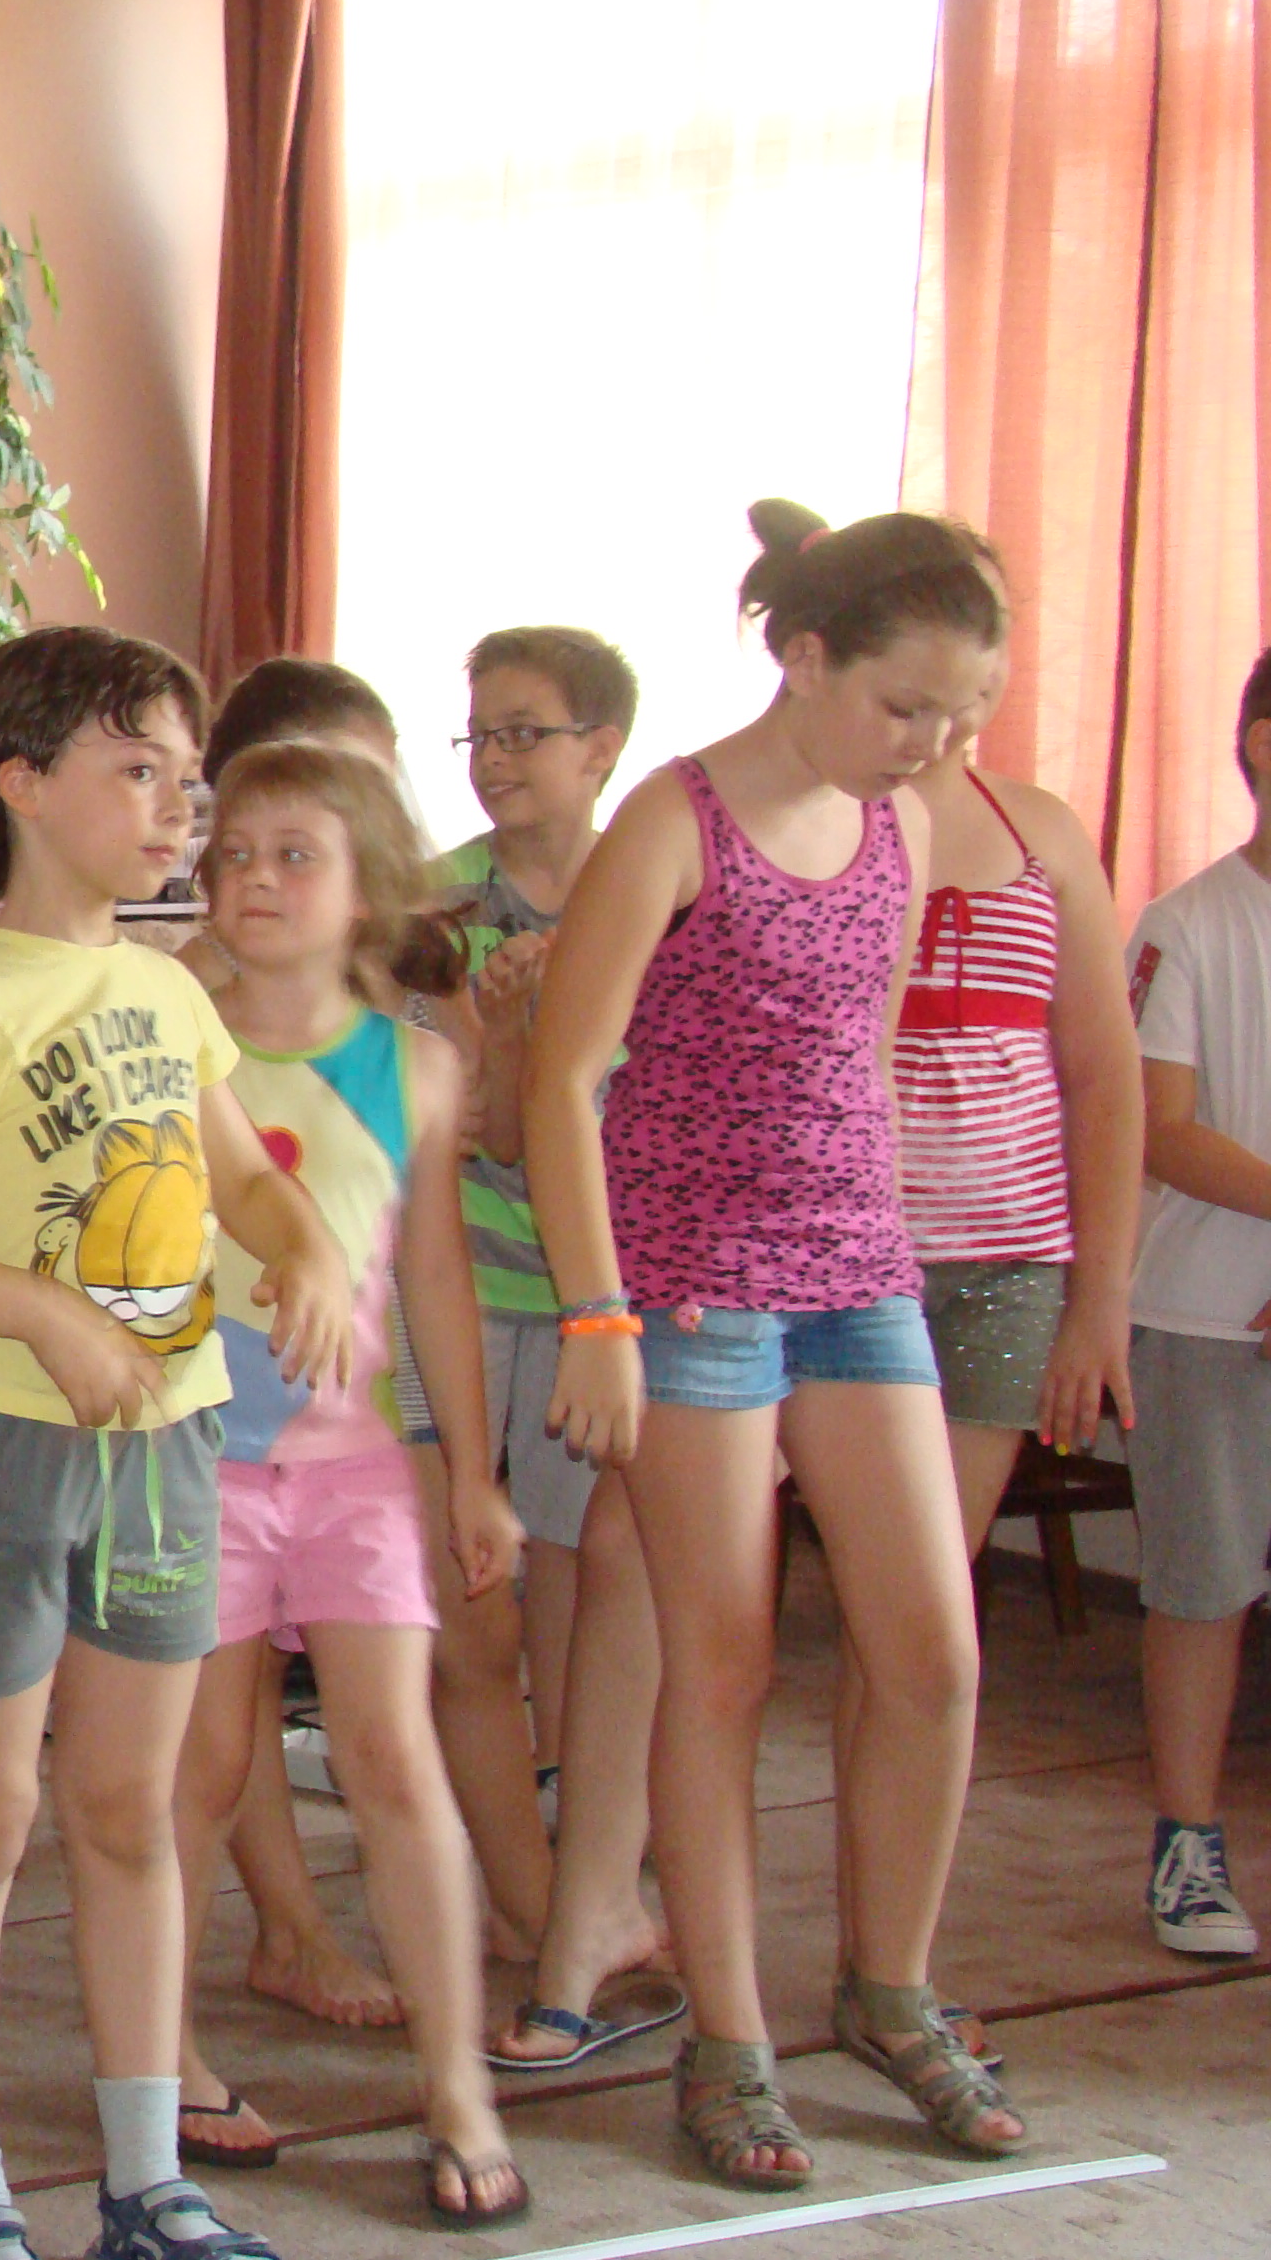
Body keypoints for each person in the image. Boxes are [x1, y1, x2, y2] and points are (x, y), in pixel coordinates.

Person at [0, 625, 351, 2260]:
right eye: (141, 771)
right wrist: (39, 1313)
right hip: (0, 1456)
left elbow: (240, 1176)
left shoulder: (168, 991)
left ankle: (144, 2180)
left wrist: (307, 1246)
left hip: (164, 1452)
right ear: (25, 785)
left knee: (128, 1811)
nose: (181, 806)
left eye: (188, 775)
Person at [524, 500, 1026, 2189]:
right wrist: (599, 1314)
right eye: (906, 704)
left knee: (932, 1655)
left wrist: (882, 1236)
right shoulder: (672, 823)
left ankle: (892, 1989)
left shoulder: (903, 822)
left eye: (960, 710)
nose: (933, 741)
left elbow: (860, 1052)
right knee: (719, 1664)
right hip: (690, 1287)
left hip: (855, 1271)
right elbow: (564, 1080)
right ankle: (730, 2043)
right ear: (804, 659)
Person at [171, 739, 526, 2226]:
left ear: (368, 886)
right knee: (200, 1767)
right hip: (190, 1464)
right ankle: (163, 2051)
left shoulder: (418, 1066)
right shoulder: (169, 1027)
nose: (255, 879)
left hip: (352, 1469)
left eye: (294, 855)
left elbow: (434, 1277)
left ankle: (458, 2082)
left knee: (393, 1758)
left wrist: (472, 1476)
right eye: (235, 853)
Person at [850, 645, 1144, 2017]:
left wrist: (1099, 1302)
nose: (954, 705)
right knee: (779, 1617)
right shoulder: (832, 822)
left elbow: (1105, 1078)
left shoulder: (1048, 834)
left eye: (983, 669)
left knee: (922, 1627)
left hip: (1007, 1274)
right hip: (843, 1273)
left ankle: (887, 1959)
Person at [436, 631, 683, 2078]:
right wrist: (514, 1025)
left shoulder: (657, 896)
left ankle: (598, 1883)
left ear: (603, 748)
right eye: (477, 734)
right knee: (488, 1607)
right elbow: (478, 1135)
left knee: (601, 1601)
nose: (495, 761)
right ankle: (542, 1891)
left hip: (622, 1299)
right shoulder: (436, 908)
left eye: (524, 732)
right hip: (475, 1291)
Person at [1115, 647, 1271, 1960]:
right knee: (1203, 1588)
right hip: (1207, 1315)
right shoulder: (1189, 923)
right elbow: (1161, 1131)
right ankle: (1187, 1845)